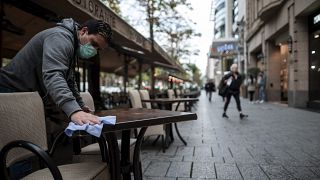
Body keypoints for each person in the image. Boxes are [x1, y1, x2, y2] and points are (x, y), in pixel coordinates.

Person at [0, 18, 112, 125]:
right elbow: (54, 75)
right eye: (94, 43)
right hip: (9, 91)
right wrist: (74, 111)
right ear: (83, 31)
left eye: (98, 49)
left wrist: (79, 106)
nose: (94, 50)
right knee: (15, 139)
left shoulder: (72, 44)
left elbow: (69, 80)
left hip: (23, 93)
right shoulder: (60, 38)